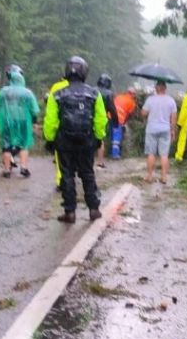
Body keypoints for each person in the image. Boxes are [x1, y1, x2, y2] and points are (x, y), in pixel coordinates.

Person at [44, 56, 108, 223]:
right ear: (84, 72)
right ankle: (94, 209)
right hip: (87, 140)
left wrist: (50, 139)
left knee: (67, 175)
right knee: (87, 173)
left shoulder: (57, 94)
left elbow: (50, 120)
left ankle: (70, 212)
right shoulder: (94, 94)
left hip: (64, 141)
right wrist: (99, 137)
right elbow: (101, 119)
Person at [0, 70, 40, 178]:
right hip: (23, 120)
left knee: (6, 145)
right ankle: (24, 167)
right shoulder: (28, 93)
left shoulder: (4, 91)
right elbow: (33, 109)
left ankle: (7, 170)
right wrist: (35, 122)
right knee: (24, 144)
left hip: (8, 121)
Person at [141, 80, 178, 184]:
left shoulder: (150, 99)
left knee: (151, 154)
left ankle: (149, 176)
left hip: (152, 129)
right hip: (165, 130)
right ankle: (164, 177)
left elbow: (143, 113)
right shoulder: (171, 101)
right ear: (165, 88)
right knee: (164, 154)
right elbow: (174, 118)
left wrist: (145, 112)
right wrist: (173, 131)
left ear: (156, 88)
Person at [95, 74, 119, 168]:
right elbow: (112, 109)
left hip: (88, 117)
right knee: (100, 140)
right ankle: (100, 162)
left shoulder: (92, 90)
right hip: (101, 118)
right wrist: (115, 122)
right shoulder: (109, 93)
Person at [113, 86, 138, 157]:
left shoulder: (118, 97)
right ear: (132, 94)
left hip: (110, 116)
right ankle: (115, 154)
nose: (135, 96)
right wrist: (124, 122)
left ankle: (111, 152)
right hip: (119, 119)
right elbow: (129, 115)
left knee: (113, 134)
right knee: (117, 137)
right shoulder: (132, 102)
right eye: (134, 94)